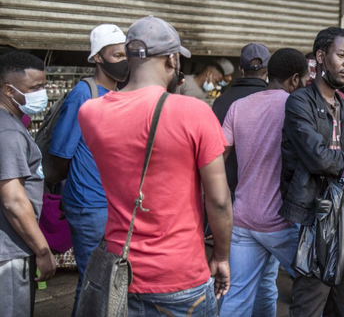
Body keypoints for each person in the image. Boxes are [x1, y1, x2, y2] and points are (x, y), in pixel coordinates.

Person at [79, 16, 233, 315]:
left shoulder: (91, 113)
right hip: (180, 276)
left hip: (119, 272)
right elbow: (218, 200)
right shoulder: (194, 112)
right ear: (172, 59)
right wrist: (222, 257)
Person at [280, 27, 344, 317]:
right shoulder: (300, 102)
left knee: (340, 303)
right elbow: (316, 157)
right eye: (341, 55)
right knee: (310, 303)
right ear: (320, 56)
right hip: (313, 218)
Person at [219, 48, 308, 316]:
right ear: (294, 79)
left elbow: (217, 157)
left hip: (243, 219)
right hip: (282, 222)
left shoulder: (238, 106)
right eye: (303, 81)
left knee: (239, 295)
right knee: (315, 286)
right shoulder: (296, 107)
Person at [48, 24, 128, 314]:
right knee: (93, 280)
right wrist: (83, 184)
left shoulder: (120, 94)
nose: (124, 61)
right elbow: (61, 154)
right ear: (98, 58)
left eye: (126, 54)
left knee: (108, 281)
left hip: (112, 204)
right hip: (89, 205)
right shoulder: (84, 94)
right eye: (117, 54)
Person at [0, 52, 56, 317]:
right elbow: (13, 200)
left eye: (44, 86)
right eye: (35, 88)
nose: (42, 94)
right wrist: (42, 250)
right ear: (8, 89)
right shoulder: (9, 132)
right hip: (9, 252)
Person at [211, 43, 271, 194]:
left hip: (228, 191)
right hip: (267, 194)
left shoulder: (221, 101)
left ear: (240, 69)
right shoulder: (279, 101)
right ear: (268, 70)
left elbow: (215, 150)